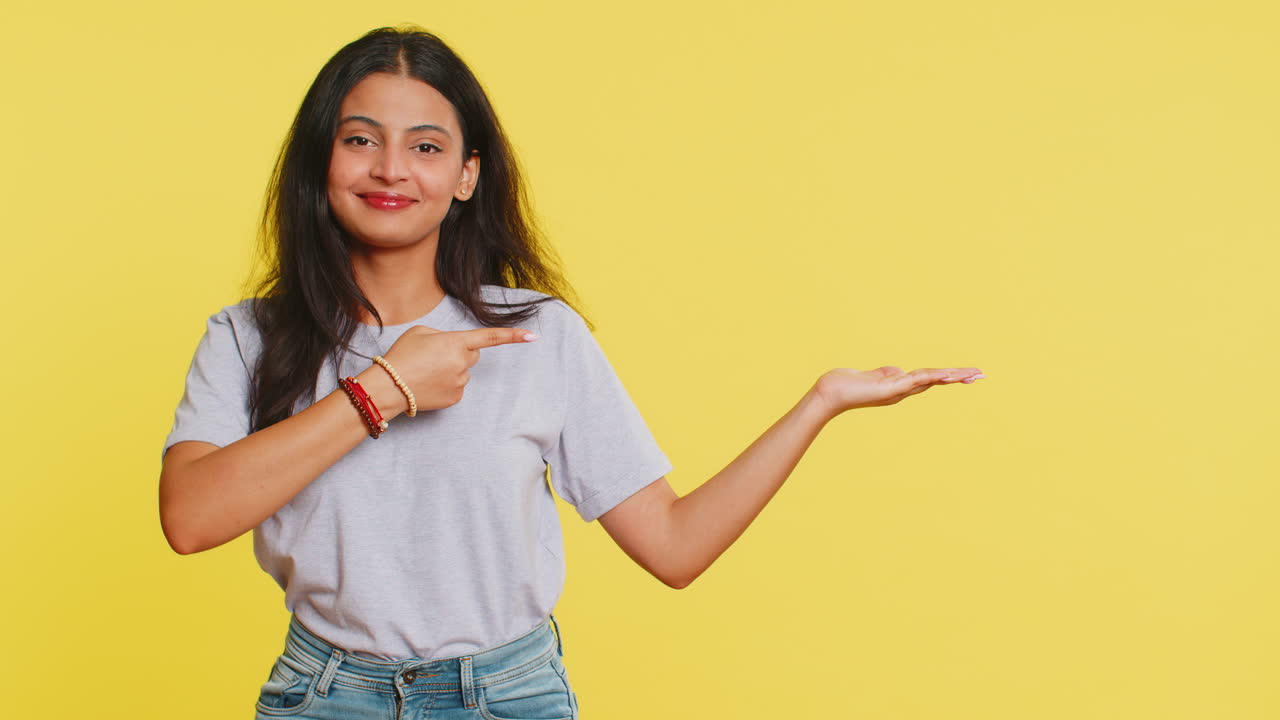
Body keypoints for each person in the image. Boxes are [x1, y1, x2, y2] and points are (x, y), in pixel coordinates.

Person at [158, 25, 984, 720]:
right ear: (323, 159)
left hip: (507, 696)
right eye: (360, 140)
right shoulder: (248, 338)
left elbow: (673, 546)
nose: (390, 169)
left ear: (466, 175)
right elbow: (189, 518)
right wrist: (385, 388)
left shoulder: (536, 337)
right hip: (326, 695)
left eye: (426, 146)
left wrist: (821, 402)